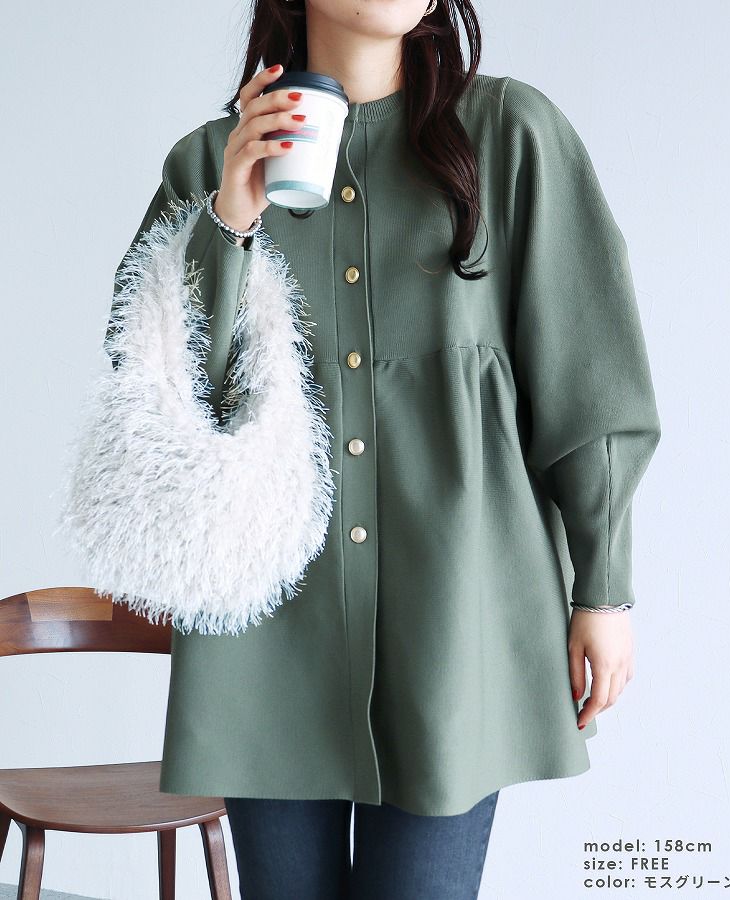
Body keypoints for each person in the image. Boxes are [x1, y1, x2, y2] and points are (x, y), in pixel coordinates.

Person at [105, 1, 661, 897]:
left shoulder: (510, 136)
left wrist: (603, 588)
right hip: (268, 642)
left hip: (458, 625)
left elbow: (590, 379)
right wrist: (231, 219)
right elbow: (158, 397)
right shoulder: (210, 161)